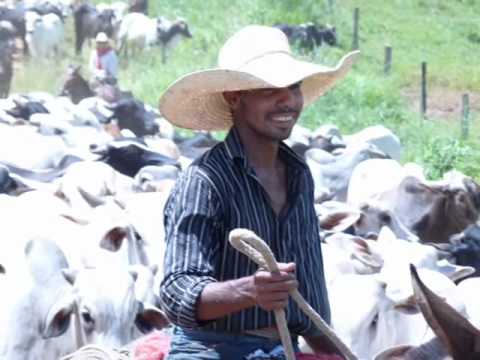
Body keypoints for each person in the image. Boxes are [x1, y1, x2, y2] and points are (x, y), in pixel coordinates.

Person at [158, 25, 359, 360]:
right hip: (210, 349)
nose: (288, 100)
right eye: (269, 90)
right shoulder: (204, 181)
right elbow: (177, 293)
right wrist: (249, 290)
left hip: (284, 347)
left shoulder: (299, 175)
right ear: (234, 97)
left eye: (293, 87)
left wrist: (338, 353)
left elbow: (308, 295)